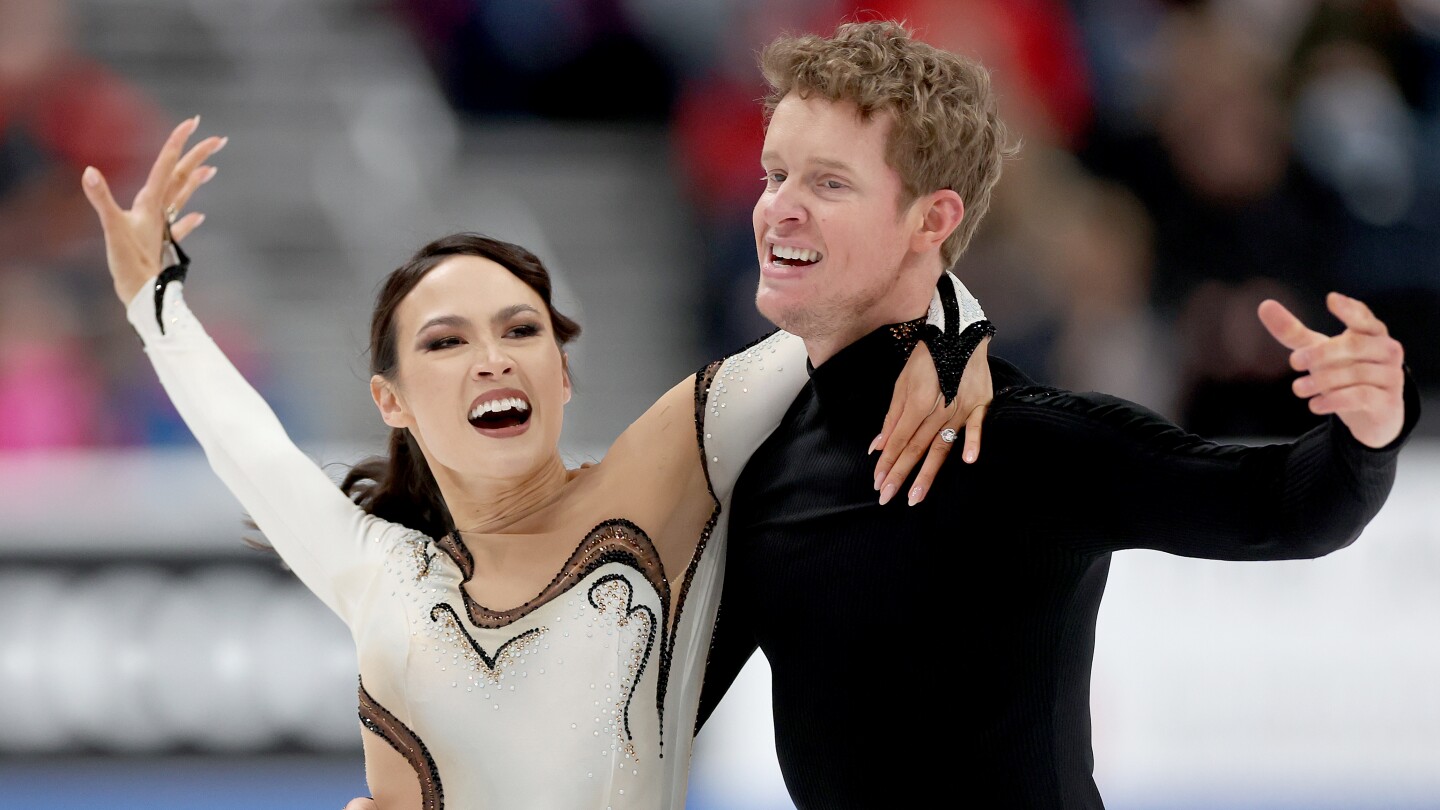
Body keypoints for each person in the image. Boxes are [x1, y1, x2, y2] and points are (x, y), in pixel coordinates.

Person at [80, 116, 994, 807]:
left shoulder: (663, 469)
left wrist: (958, 340)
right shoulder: (380, 571)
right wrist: (150, 301)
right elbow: (248, 446)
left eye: (521, 330)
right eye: (445, 342)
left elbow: (866, 297)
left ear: (561, 374)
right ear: (390, 402)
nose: (493, 358)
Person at [686, 21, 1417, 809]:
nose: (777, 210)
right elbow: (640, 704)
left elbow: (1285, 506)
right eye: (774, 175)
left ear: (931, 221)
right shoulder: (753, 458)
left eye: (828, 183)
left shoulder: (1021, 445)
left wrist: (1369, 421)